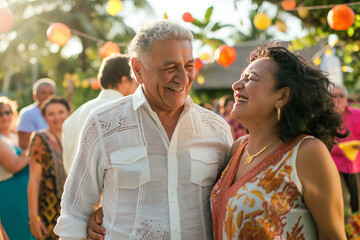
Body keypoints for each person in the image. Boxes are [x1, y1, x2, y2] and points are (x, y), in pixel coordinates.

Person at [54, 20, 233, 239]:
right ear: (138, 70)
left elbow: (232, 206)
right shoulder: (104, 123)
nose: (184, 78)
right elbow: (75, 214)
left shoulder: (217, 129)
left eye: (188, 66)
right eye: (170, 68)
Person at [211, 43, 347, 239]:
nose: (236, 85)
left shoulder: (306, 152)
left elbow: (333, 235)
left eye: (250, 79)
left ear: (282, 96)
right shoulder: (237, 149)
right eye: (240, 78)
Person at [62, 53, 138, 174]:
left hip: (74, 190)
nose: (137, 89)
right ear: (124, 81)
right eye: (136, 83)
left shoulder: (74, 116)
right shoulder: (126, 113)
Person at [27, 97, 70, 239]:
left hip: (76, 210)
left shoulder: (77, 136)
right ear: (44, 117)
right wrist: (34, 219)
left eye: (61, 112)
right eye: (51, 114)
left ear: (69, 113)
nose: (57, 117)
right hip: (49, 211)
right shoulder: (39, 139)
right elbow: (34, 179)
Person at [0, 97, 32, 240]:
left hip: (28, 192)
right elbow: (14, 165)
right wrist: (34, 147)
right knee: (17, 232)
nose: (4, 116)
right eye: (0, 114)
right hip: (10, 192)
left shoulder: (15, 133)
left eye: (7, 112)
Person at [330, 85, 360, 214]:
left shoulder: (357, 114)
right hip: (334, 165)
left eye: (341, 96)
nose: (337, 99)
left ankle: (356, 229)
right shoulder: (324, 118)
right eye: (334, 96)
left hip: (355, 164)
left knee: (357, 200)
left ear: (346, 98)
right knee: (339, 202)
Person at [17, 78, 56, 150]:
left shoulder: (59, 113)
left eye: (51, 93)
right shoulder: (28, 113)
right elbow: (23, 143)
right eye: (43, 93)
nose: (48, 96)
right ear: (35, 96)